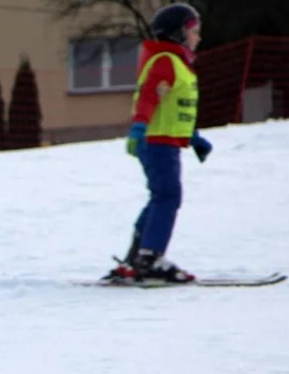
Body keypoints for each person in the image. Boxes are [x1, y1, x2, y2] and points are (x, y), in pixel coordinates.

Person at [105, 2, 213, 283]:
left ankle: (136, 258)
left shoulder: (178, 64)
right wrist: (139, 128)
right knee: (168, 196)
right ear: (178, 34)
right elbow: (150, 97)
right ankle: (150, 258)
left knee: (160, 196)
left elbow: (176, 111)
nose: (198, 37)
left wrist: (193, 137)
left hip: (164, 141)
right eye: (193, 31)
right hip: (156, 142)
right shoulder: (166, 61)